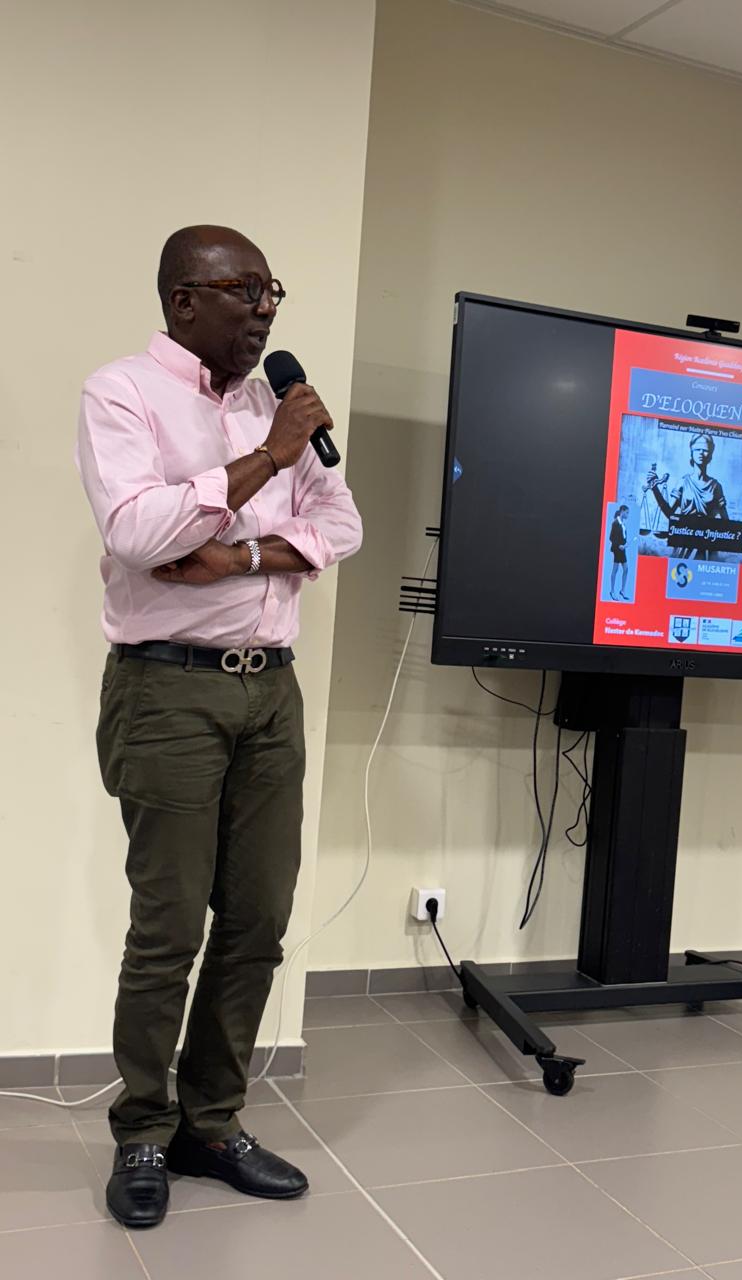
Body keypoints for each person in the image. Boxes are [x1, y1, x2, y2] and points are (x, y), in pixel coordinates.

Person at [75, 225, 363, 1229]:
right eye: (244, 289)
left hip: (270, 691)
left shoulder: (273, 401)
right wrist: (267, 459)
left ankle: (211, 1120)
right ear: (183, 299)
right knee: (168, 930)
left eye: (272, 290)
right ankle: (143, 1129)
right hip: (168, 691)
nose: (265, 309)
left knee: (258, 921)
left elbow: (342, 526)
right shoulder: (122, 393)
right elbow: (140, 533)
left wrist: (235, 555)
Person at [647, 432, 728, 558]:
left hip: (707, 545)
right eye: (697, 449)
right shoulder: (683, 483)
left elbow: (726, 522)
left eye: (705, 450)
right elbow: (670, 513)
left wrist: (738, 539)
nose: (701, 453)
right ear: (691, 452)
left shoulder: (716, 486)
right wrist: (655, 489)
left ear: (710, 455)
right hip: (684, 542)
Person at [608, 504, 630, 599]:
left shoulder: (622, 523)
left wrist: (626, 543)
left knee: (626, 569)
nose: (628, 514)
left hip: (622, 549)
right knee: (615, 569)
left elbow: (623, 536)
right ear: (622, 511)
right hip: (617, 549)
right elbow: (611, 537)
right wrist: (619, 545)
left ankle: (622, 590)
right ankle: (612, 591)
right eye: (627, 512)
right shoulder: (615, 523)